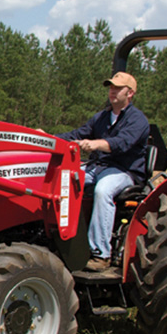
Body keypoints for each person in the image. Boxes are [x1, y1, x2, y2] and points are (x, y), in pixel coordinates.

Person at [56, 72, 150, 271]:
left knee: (103, 190)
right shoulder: (101, 117)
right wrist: (47, 137)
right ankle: (64, 240)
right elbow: (76, 134)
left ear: (130, 93)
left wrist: (97, 144)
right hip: (97, 167)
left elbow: (122, 143)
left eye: (118, 88)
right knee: (63, 179)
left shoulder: (138, 120)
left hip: (124, 172)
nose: (112, 91)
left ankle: (101, 254)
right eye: (111, 87)